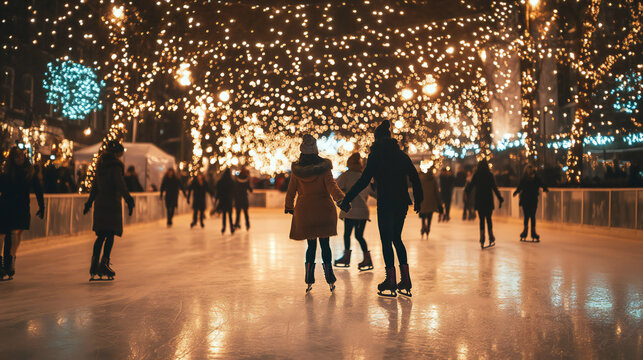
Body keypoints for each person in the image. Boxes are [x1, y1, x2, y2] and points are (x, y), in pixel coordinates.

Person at [339, 120, 423, 297]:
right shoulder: (401, 156)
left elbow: (363, 181)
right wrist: (419, 199)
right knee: (397, 239)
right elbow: (415, 176)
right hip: (401, 202)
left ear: (377, 139)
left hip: (386, 202)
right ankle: (405, 280)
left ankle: (391, 280)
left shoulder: (375, 156)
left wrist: (347, 199)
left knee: (386, 240)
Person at [285, 134, 344, 293]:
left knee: (311, 246)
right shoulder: (324, 168)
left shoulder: (297, 170)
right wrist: (342, 199)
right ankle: (330, 277)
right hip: (324, 210)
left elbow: (291, 190)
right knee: (325, 245)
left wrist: (289, 206)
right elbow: (332, 187)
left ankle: (309, 279)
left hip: (305, 213)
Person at [83, 140, 135, 280]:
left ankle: (94, 265)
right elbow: (120, 184)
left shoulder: (100, 165)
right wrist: (129, 199)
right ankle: (104, 264)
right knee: (110, 234)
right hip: (111, 204)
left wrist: (89, 202)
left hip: (100, 203)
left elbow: (94, 186)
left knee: (100, 236)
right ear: (117, 153)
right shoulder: (116, 166)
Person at [0, 146, 45, 280]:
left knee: (11, 236)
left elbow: (38, 189)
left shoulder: (29, 172)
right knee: (6, 235)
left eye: (20, 156)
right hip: (6, 207)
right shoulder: (7, 173)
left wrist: (42, 206)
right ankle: (5, 265)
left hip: (19, 209)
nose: (18, 159)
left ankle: (8, 263)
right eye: (15, 157)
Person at [334, 153, 375, 271]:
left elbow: (337, 189)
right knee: (359, 236)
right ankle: (367, 258)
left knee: (347, 235)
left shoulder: (346, 176)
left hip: (350, 211)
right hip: (363, 212)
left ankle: (346, 258)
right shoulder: (364, 176)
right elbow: (373, 193)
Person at [465, 159, 504, 249]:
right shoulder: (490, 175)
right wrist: (500, 198)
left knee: (482, 220)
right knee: (489, 219)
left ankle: (482, 237)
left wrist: (467, 193)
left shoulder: (476, 175)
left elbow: (470, 187)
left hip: (479, 201)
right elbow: (494, 188)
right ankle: (491, 236)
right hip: (488, 201)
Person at [513, 164, 548, 241]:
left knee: (528, 216)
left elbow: (520, 187)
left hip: (528, 200)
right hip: (531, 200)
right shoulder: (534, 178)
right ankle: (531, 233)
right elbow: (520, 187)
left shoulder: (528, 178)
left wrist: (516, 192)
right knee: (531, 216)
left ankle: (527, 232)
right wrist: (545, 188)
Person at [419, 168, 443, 237]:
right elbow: (436, 192)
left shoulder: (422, 180)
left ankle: (423, 225)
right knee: (430, 215)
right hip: (431, 201)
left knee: (423, 215)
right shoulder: (433, 181)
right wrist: (439, 203)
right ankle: (428, 227)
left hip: (423, 201)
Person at [216, 169, 235, 234]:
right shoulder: (231, 182)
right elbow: (233, 191)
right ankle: (231, 227)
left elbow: (218, 189)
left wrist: (218, 198)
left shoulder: (221, 181)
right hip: (229, 200)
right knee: (229, 215)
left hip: (223, 200)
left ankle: (224, 227)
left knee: (224, 214)